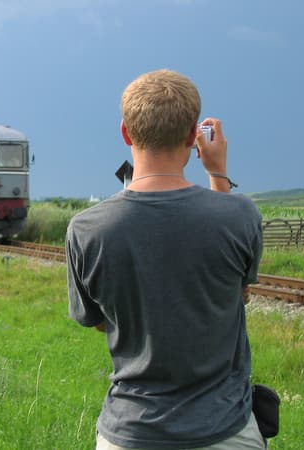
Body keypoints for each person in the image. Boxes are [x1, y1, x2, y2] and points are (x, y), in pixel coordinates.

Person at [66, 69, 264, 449]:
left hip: (130, 433)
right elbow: (234, 296)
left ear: (125, 133)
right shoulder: (240, 215)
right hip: (226, 432)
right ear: (194, 137)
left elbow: (97, 322)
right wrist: (218, 174)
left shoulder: (86, 229)